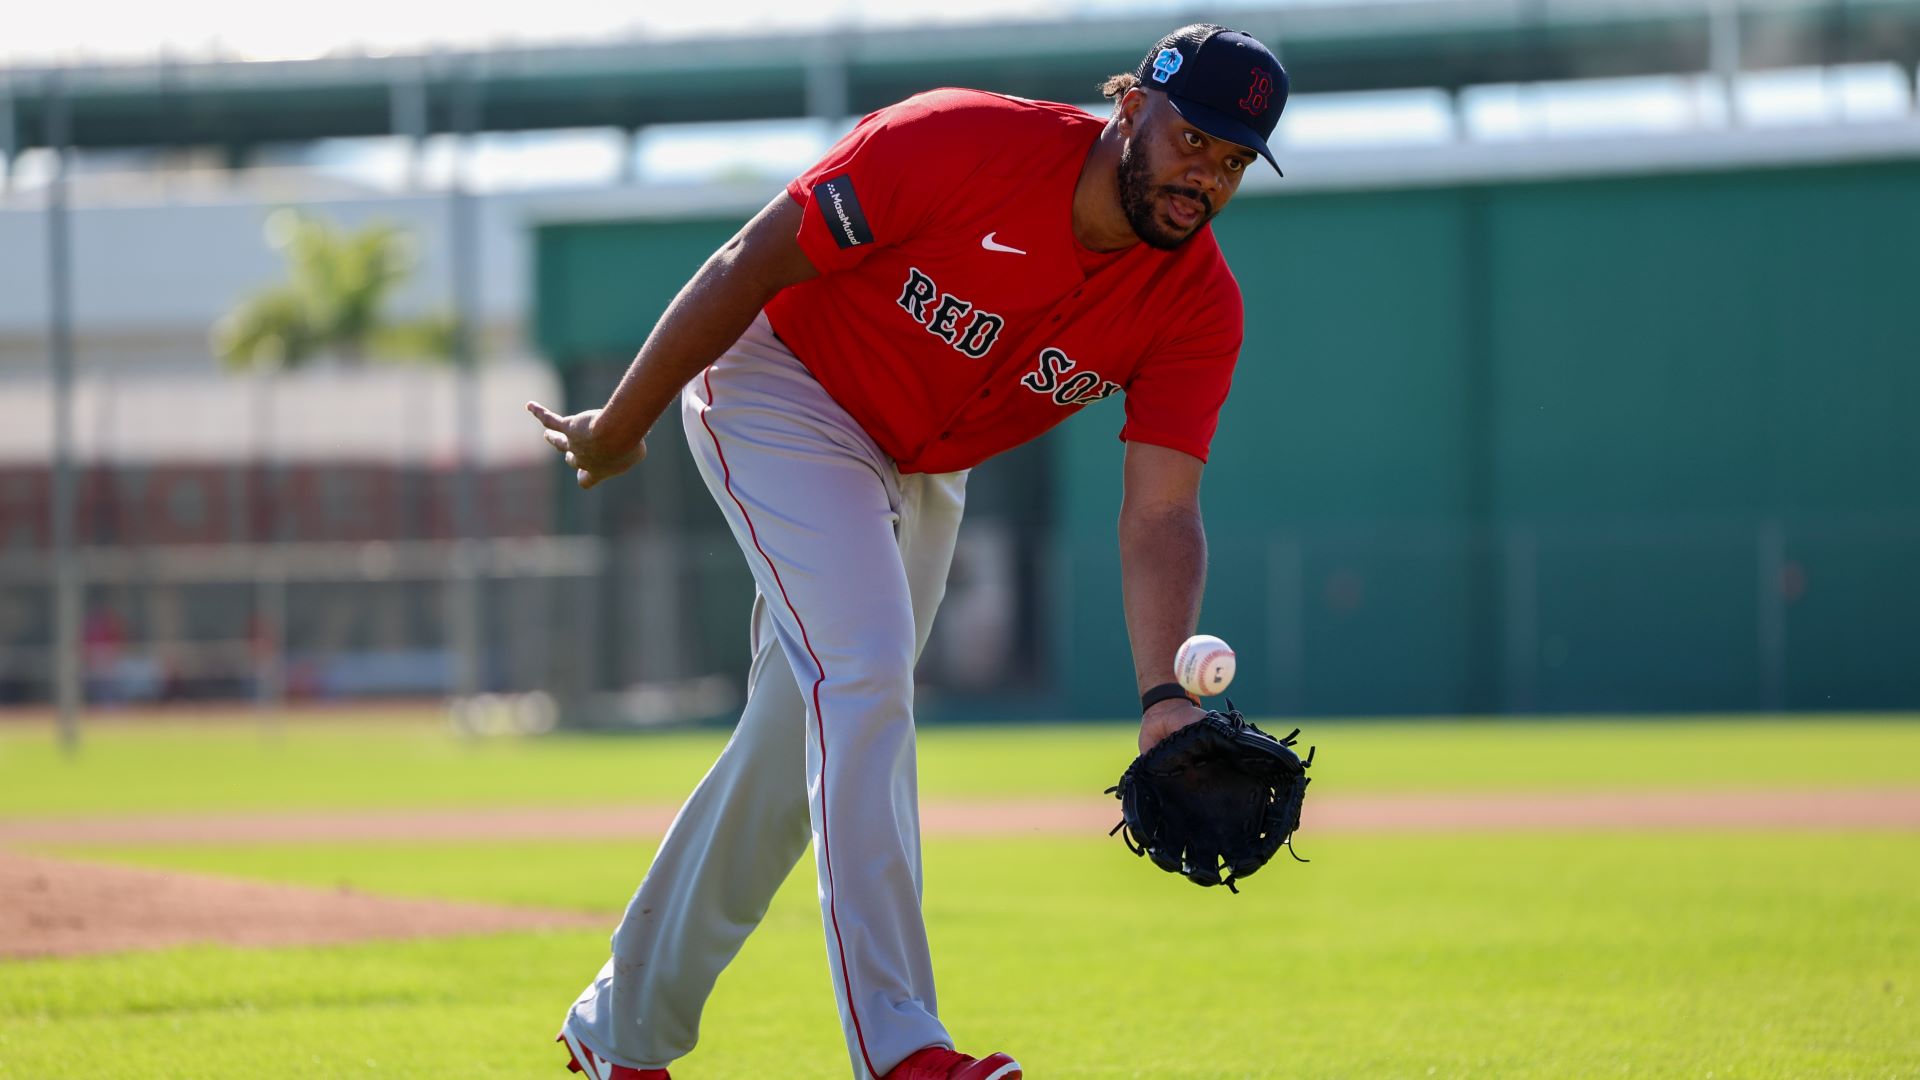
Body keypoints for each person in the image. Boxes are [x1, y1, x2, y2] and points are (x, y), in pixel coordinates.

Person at [529, 23, 1289, 1080]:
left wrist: (1164, 692)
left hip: (924, 465)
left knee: (798, 741)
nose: (1204, 175)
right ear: (1131, 106)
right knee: (868, 669)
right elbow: (750, 259)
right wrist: (623, 423)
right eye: (1192, 139)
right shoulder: (959, 143)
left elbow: (1162, 512)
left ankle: (615, 1036)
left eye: (1233, 160)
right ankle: (902, 1048)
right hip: (782, 391)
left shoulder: (1196, 303)